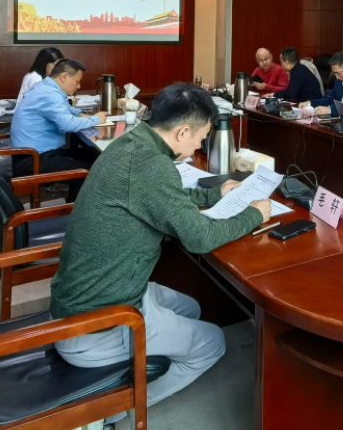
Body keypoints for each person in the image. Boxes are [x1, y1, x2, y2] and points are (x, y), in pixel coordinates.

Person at [50, 83, 270, 420]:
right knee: (212, 342)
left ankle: (158, 347)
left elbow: (162, 196)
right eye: (200, 138)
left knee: (192, 308)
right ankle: (117, 410)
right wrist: (254, 215)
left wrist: (214, 194)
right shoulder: (153, 167)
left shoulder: (132, 144)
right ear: (182, 132)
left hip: (97, 293)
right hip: (100, 323)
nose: (199, 146)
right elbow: (200, 238)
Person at [9, 58, 106, 202]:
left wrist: (80, 114)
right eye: (77, 81)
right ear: (64, 76)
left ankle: (75, 203)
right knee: (89, 171)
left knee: (93, 157)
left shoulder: (45, 87)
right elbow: (68, 124)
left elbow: (67, 109)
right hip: (32, 160)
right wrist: (96, 119)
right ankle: (76, 211)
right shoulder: (49, 94)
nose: (79, 86)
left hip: (36, 154)